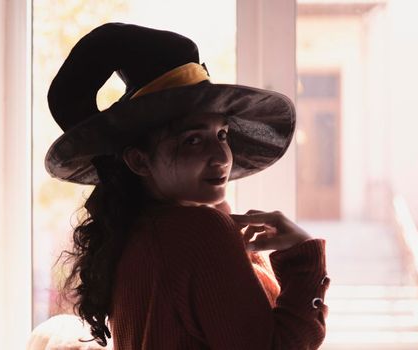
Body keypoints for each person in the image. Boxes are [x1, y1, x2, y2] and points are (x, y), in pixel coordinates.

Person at [46, 22, 329, 350]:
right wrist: (302, 260)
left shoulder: (138, 230)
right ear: (139, 161)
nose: (221, 157)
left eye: (222, 134)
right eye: (193, 140)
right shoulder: (197, 231)